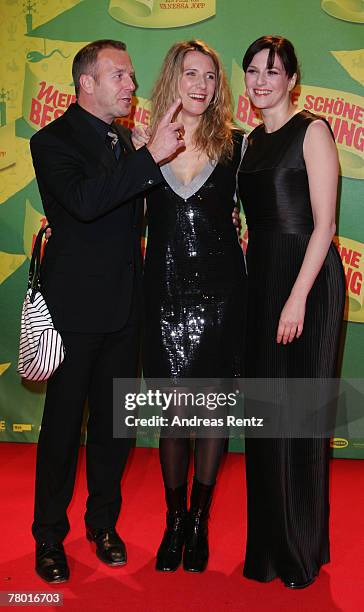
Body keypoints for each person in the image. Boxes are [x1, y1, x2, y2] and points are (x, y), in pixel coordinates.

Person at [29, 39, 184, 583]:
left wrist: (148, 157)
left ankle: (103, 524)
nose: (132, 85)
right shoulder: (51, 141)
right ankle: (49, 536)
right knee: (62, 430)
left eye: (133, 75)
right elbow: (87, 204)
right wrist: (148, 157)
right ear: (86, 83)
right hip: (72, 314)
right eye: (120, 75)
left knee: (115, 430)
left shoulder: (126, 141)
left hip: (126, 310)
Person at [238, 35, 345, 588]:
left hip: (307, 280)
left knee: (299, 420)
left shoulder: (315, 132)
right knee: (265, 419)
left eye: (272, 71)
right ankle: (268, 548)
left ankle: (301, 548)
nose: (260, 80)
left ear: (292, 80)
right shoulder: (250, 142)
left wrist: (298, 296)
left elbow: (325, 224)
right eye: (252, 70)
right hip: (264, 282)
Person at [141, 40, 247, 573]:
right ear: (173, 79)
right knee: (172, 417)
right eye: (191, 74)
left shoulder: (237, 146)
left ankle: (200, 522)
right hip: (161, 301)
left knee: (211, 416)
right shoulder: (142, 142)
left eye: (210, 76)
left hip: (221, 299)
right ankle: (174, 520)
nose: (201, 85)